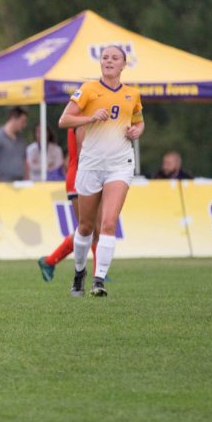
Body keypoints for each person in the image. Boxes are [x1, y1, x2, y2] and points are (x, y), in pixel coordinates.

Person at [58, 45, 144, 297]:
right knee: (85, 227)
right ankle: (79, 273)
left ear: (123, 64)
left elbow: (139, 122)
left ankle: (99, 280)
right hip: (91, 164)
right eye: (105, 57)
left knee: (108, 222)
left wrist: (137, 131)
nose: (109, 61)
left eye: (114, 58)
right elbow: (64, 120)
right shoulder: (87, 90)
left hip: (120, 164)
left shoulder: (133, 94)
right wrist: (90, 117)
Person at [36, 127, 101, 282]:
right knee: (87, 228)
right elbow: (83, 151)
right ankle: (51, 262)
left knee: (93, 229)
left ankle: (99, 275)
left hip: (89, 176)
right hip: (80, 178)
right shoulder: (80, 119)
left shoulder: (84, 116)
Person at [0, 106, 29, 183]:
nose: (24, 125)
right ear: (14, 118)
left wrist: (27, 180)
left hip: (20, 184)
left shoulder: (21, 140)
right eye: (23, 121)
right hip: (3, 184)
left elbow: (25, 162)